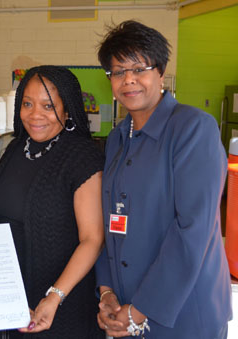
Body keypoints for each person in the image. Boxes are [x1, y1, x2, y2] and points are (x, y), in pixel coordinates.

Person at [95, 20, 232, 339]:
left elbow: (192, 229)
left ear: (160, 72)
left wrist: (139, 310)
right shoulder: (117, 138)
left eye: (139, 68)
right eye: (117, 71)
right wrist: (107, 293)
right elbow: (110, 220)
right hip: (126, 310)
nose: (128, 79)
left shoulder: (193, 129)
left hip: (185, 315)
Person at [0, 65, 105, 338]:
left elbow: (92, 239)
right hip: (13, 302)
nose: (35, 114)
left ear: (67, 110)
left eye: (48, 106)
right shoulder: (16, 148)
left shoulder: (82, 157)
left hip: (62, 305)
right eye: (27, 104)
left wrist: (54, 296)